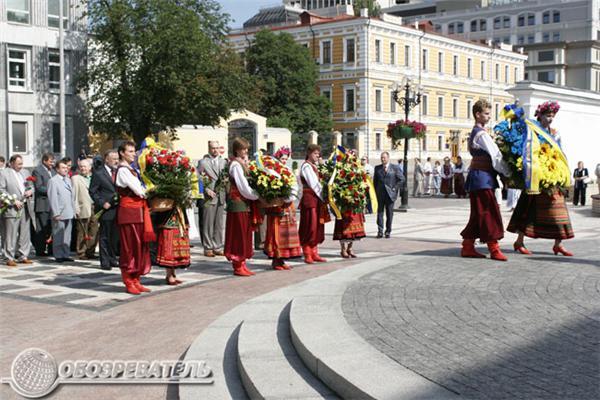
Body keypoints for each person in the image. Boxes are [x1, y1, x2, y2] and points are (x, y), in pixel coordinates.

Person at [507, 101, 574, 256]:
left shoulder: (555, 132)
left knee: (559, 210)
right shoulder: (533, 130)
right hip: (535, 176)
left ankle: (558, 244)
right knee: (527, 210)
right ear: (541, 115)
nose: (550, 119)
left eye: (552, 116)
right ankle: (519, 241)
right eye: (547, 115)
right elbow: (526, 149)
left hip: (552, 175)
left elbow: (559, 152)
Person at [460, 99, 510, 261]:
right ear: (478, 114)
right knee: (489, 212)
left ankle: (468, 246)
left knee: (478, 213)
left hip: (480, 178)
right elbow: (496, 156)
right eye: (486, 113)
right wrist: (508, 172)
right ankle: (494, 248)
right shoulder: (481, 134)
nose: (489, 117)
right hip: (483, 179)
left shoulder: (477, 132)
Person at [116, 141, 155, 294]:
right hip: (128, 213)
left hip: (138, 212)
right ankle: (128, 279)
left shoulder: (131, 170)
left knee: (139, 247)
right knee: (129, 248)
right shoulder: (123, 170)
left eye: (134, 151)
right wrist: (151, 191)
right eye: (130, 151)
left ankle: (136, 278)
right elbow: (139, 190)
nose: (133, 154)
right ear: (122, 153)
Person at [224, 137, 260, 276]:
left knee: (245, 234)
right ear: (236, 150)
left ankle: (242, 262)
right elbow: (242, 186)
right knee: (238, 234)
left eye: (246, 149)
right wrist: (256, 196)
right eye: (242, 149)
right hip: (237, 202)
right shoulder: (235, 165)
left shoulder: (242, 163)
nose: (245, 151)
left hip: (244, 203)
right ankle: (237, 264)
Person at [263, 146, 302, 270]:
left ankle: (282, 259)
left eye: (286, 158)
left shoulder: (288, 170)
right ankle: (276, 259)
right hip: (278, 206)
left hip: (288, 206)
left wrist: (290, 196)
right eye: (282, 158)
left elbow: (294, 185)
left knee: (286, 235)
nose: (284, 161)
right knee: (277, 234)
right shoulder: (273, 170)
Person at [0, 155, 36, 266]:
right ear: (11, 163)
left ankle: (23, 255)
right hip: (12, 208)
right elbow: (1, 190)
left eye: (22, 163)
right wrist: (13, 200)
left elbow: (31, 186)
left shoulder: (25, 172)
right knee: (10, 233)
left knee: (24, 233)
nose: (21, 166)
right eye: (18, 164)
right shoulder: (4, 173)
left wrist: (30, 191)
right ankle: (8, 257)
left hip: (25, 206)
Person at [90, 150, 120, 270]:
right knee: (105, 235)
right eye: (113, 159)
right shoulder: (98, 173)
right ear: (106, 159)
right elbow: (92, 191)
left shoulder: (119, 171)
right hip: (106, 209)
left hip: (117, 207)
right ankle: (105, 261)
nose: (116, 161)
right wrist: (102, 202)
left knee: (114, 236)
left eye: (117, 158)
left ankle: (113, 258)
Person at [299, 144, 329, 263]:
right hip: (310, 199)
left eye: (318, 154)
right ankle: (307, 252)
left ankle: (314, 251)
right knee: (309, 226)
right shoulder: (306, 166)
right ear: (309, 153)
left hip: (317, 200)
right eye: (315, 153)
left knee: (317, 226)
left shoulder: (315, 166)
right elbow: (314, 184)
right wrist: (324, 195)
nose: (318, 156)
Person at [198, 141, 227, 257]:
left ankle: (218, 246)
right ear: (209, 149)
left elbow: (227, 176)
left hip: (221, 196)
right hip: (209, 197)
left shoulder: (224, 162)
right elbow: (198, 179)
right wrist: (205, 190)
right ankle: (208, 247)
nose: (215, 150)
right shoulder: (203, 162)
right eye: (213, 148)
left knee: (219, 223)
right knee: (208, 223)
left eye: (217, 148)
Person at [48, 159, 76, 263]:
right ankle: (58, 254)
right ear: (57, 169)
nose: (66, 170)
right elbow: (53, 198)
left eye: (66, 168)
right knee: (58, 234)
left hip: (69, 211)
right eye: (63, 168)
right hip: (59, 212)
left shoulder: (68, 180)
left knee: (67, 235)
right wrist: (56, 213)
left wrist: (74, 210)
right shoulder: (53, 181)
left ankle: (66, 253)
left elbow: (71, 196)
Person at [72, 159, 98, 260]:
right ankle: (81, 252)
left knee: (94, 230)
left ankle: (90, 251)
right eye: (81, 166)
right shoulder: (75, 178)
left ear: (90, 167)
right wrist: (75, 208)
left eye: (85, 166)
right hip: (83, 206)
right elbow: (74, 194)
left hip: (94, 206)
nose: (83, 168)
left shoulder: (94, 177)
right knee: (82, 231)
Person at [373, 151, 404, 239]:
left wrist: (395, 188)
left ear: (388, 158)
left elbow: (402, 179)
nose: (383, 159)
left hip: (390, 194)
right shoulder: (377, 168)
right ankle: (380, 231)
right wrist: (375, 192)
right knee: (380, 213)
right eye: (381, 158)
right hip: (380, 194)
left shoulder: (395, 168)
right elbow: (375, 182)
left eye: (384, 158)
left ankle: (388, 231)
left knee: (389, 214)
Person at [31, 153, 55, 256]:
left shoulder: (53, 171)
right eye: (50, 161)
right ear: (44, 161)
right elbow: (39, 187)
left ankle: (51, 249)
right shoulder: (37, 171)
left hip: (52, 204)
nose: (52, 163)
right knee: (42, 229)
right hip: (43, 204)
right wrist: (53, 190)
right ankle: (40, 250)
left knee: (51, 228)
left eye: (53, 161)